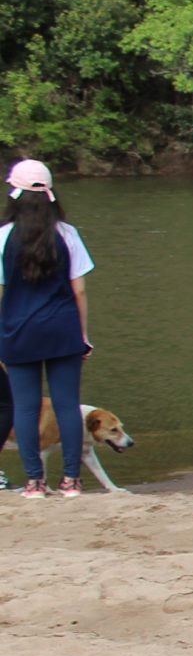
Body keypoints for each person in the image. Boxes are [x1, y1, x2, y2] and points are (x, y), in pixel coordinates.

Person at [0, 160, 94, 498]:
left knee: (25, 408)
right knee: (67, 405)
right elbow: (79, 290)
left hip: (17, 332)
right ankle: (71, 481)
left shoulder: (3, 235)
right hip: (62, 329)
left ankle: (34, 483)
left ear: (15, 193)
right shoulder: (67, 234)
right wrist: (83, 337)